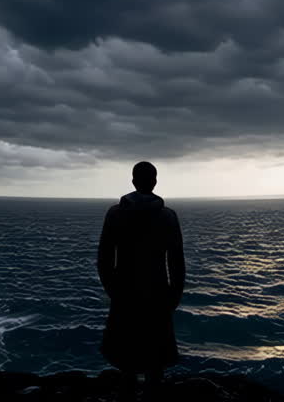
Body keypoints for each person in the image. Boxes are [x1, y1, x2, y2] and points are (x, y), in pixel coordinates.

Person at [97, 161, 186, 395]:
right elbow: (176, 262)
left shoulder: (115, 214)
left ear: (133, 181)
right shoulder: (168, 217)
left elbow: (104, 260)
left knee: (126, 360)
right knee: (155, 364)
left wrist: (113, 291)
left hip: (124, 294)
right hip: (158, 295)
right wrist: (174, 296)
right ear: (154, 181)